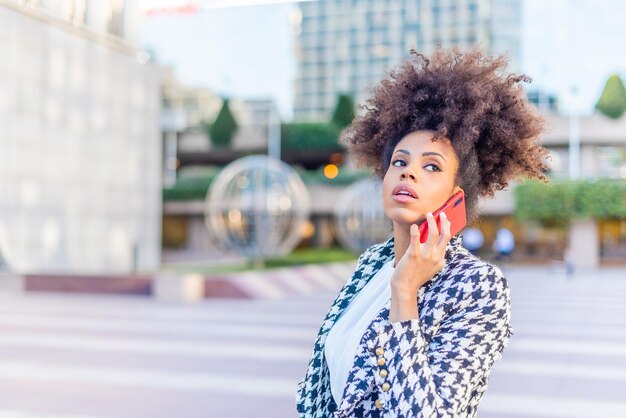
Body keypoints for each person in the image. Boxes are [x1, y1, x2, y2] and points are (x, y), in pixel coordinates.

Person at [295, 47, 550, 418]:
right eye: (399, 161)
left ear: (456, 198)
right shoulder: (372, 265)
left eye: (431, 167)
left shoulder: (478, 287)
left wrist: (405, 291)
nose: (408, 172)